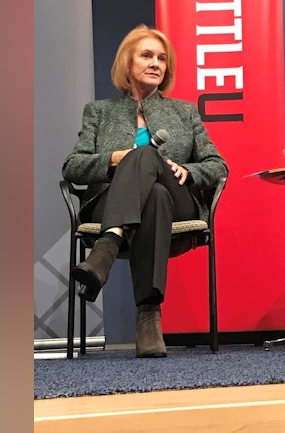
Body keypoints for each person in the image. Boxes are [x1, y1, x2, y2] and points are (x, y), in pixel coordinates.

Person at [62, 25, 228, 358]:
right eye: (147, 55)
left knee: (149, 158)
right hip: (113, 202)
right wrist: (112, 159)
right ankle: (149, 317)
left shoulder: (184, 112)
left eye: (162, 59)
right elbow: (72, 167)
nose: (156, 63)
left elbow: (218, 165)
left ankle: (107, 247)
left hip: (180, 200)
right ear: (127, 62)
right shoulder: (99, 111)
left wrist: (189, 170)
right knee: (154, 196)